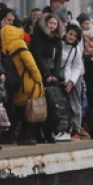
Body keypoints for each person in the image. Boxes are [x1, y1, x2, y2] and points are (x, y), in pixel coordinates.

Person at [1, 25, 45, 146]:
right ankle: (24, 137)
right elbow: (30, 63)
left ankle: (8, 136)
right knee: (28, 112)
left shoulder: (6, 47)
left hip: (15, 83)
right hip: (28, 83)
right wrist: (38, 79)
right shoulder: (20, 44)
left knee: (17, 112)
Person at [30, 14, 65, 143]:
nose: (52, 26)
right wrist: (46, 74)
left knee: (52, 106)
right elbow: (37, 56)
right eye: (50, 23)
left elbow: (58, 59)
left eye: (55, 24)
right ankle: (38, 131)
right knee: (40, 104)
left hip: (53, 75)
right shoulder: (38, 38)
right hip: (41, 73)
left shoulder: (57, 40)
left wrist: (55, 75)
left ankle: (50, 131)